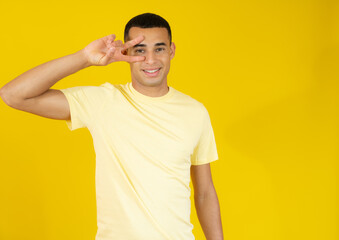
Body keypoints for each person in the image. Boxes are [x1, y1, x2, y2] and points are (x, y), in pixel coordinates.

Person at [0, 13, 223, 240]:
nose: (150, 60)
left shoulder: (195, 112)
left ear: (171, 50)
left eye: (159, 48)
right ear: (126, 53)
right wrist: (85, 57)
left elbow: (204, 193)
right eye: (140, 50)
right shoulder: (102, 101)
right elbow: (13, 95)